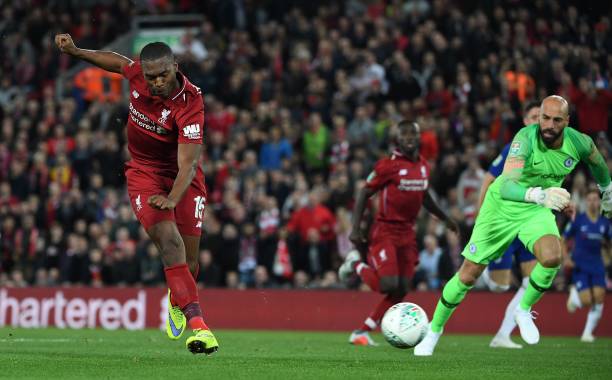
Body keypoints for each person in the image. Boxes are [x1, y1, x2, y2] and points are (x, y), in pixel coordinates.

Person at [55, 34, 218, 355]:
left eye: (163, 75)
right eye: (150, 76)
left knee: (190, 260)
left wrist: (172, 198)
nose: (156, 82)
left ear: (176, 67)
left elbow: (189, 163)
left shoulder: (190, 102)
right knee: (169, 242)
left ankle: (177, 295)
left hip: (182, 178)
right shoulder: (137, 76)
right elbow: (115, 61)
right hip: (144, 173)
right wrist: (76, 52)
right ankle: (199, 327)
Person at [414, 95, 612, 356]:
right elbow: (507, 186)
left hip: (534, 211)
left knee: (553, 257)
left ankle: (523, 308)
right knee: (468, 275)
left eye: (556, 120)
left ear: (567, 121)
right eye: (544, 118)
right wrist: (541, 195)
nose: (548, 125)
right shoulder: (524, 139)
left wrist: (606, 189)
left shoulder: (580, 142)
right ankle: (434, 330)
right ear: (538, 117)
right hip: (502, 207)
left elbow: (597, 162)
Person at [338, 120, 459, 346]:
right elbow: (365, 193)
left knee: (402, 289)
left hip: (407, 233)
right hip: (385, 230)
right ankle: (355, 263)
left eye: (412, 135)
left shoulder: (423, 166)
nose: (408, 139)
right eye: (404, 136)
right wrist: (355, 228)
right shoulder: (387, 166)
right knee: (388, 284)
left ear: (418, 137)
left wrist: (445, 218)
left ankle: (362, 332)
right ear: (398, 140)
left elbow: (424, 197)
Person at [476, 101, 540, 349]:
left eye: (541, 117)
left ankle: (503, 334)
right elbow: (489, 178)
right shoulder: (514, 148)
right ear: (525, 122)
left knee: (532, 281)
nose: (538, 121)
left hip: (530, 223)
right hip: (505, 223)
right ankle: (484, 270)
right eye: (534, 116)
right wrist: (482, 216)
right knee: (499, 286)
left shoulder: (550, 153)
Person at [563, 188, 611, 342]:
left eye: (595, 199)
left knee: (599, 298)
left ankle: (587, 334)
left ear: (599, 202)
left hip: (597, 264)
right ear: (585, 202)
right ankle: (575, 296)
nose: (592, 202)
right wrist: (566, 258)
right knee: (587, 301)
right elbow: (563, 238)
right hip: (580, 264)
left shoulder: (605, 223)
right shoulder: (579, 220)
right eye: (589, 199)